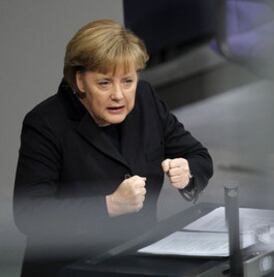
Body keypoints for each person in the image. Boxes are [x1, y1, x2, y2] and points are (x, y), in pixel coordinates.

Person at [13, 19, 213, 276]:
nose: (118, 94)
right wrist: (108, 205)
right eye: (104, 83)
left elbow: (198, 156)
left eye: (128, 81)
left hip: (136, 260)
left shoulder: (146, 99)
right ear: (80, 81)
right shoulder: (45, 124)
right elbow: (30, 214)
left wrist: (188, 172)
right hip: (70, 268)